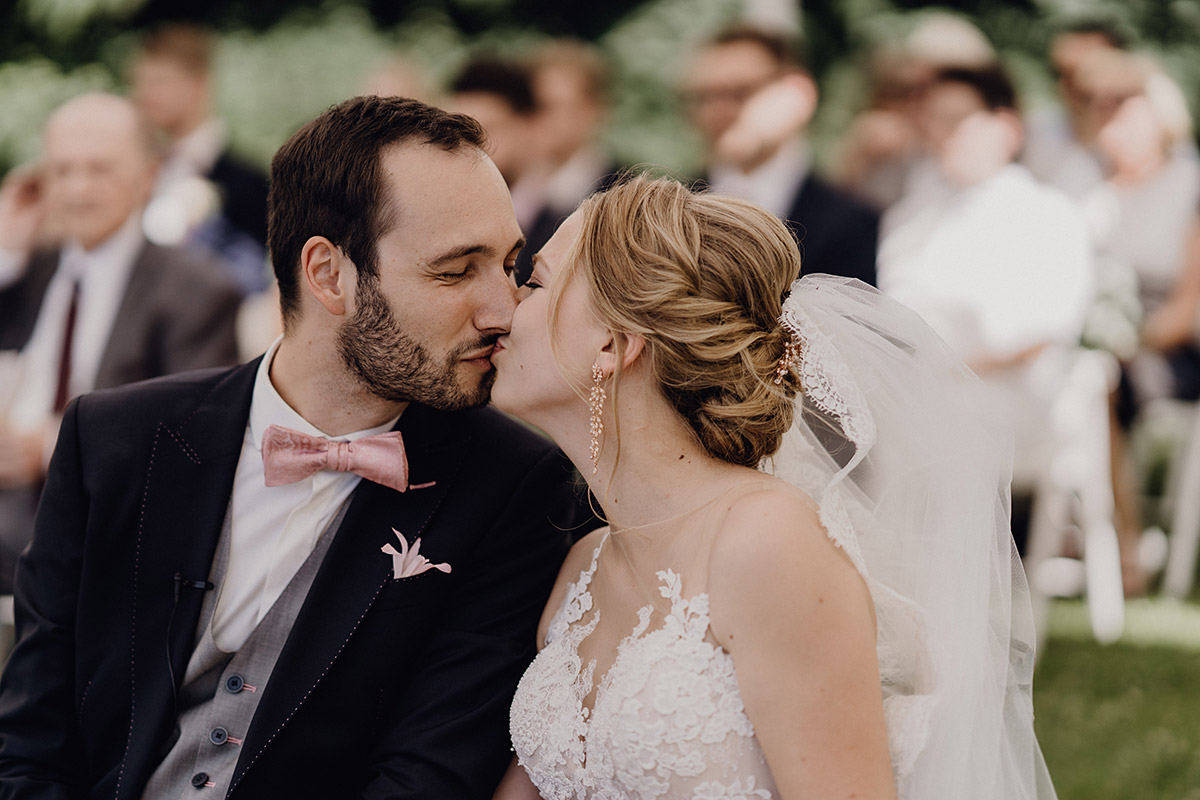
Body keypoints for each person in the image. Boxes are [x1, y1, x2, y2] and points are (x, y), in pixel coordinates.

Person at [0, 96, 588, 798]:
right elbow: (28, 747)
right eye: (457, 270)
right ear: (328, 274)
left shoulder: (518, 487)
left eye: (509, 264)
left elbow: (427, 778)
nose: (504, 310)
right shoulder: (114, 441)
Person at [490, 175, 1055, 798]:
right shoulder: (583, 570)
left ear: (614, 344)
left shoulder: (767, 543)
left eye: (536, 282)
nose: (504, 306)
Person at [0, 92, 241, 594]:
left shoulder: (195, 289)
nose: (78, 189)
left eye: (99, 170)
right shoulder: (28, 269)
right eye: (63, 171)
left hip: (110, 553)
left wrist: (49, 447)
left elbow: (199, 442)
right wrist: (5, 243)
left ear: (147, 174)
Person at [681, 24, 879, 285]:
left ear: (796, 94)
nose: (719, 110)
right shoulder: (673, 213)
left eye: (740, 93)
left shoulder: (851, 221)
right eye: (704, 97)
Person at [130, 23, 271, 295]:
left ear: (198, 84)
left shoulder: (250, 181)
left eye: (158, 82)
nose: (145, 95)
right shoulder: (139, 173)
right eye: (140, 82)